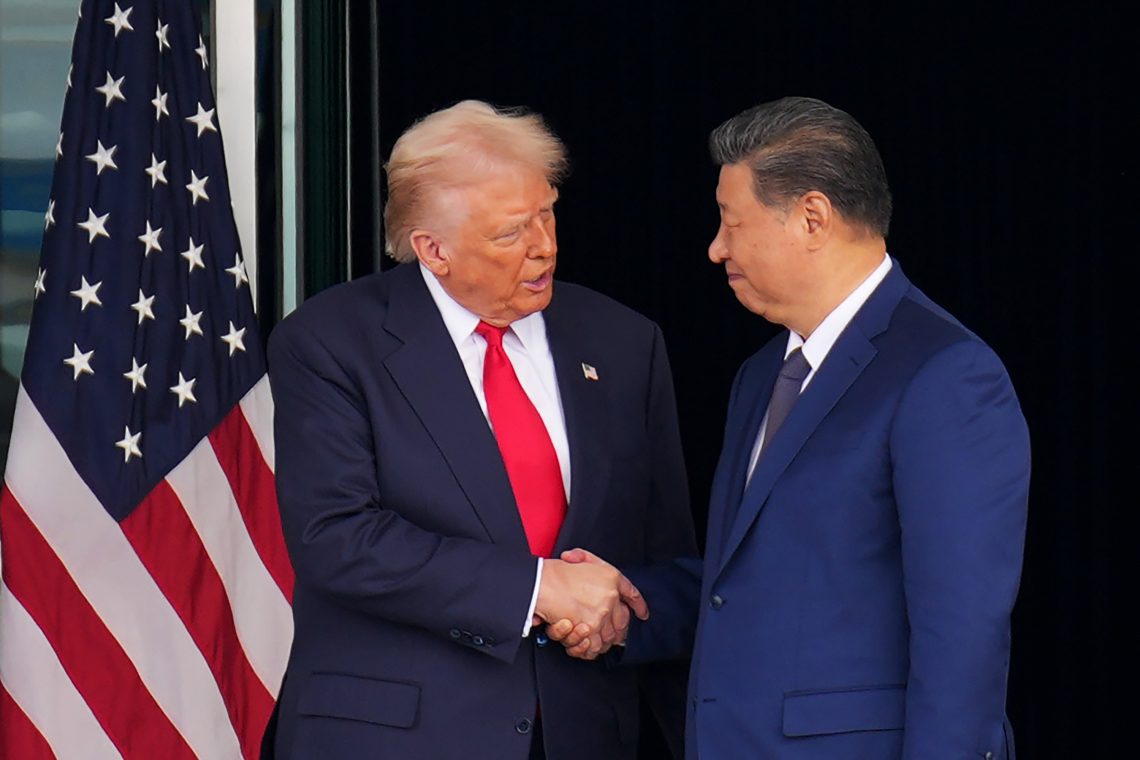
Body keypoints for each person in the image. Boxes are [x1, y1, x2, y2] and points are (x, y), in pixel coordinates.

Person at [552, 96, 1030, 759]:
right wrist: (627, 604)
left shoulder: (944, 374)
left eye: (731, 222)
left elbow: (963, 636)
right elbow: (751, 579)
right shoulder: (760, 375)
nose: (716, 248)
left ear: (812, 217)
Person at [265, 100, 696, 759]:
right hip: (395, 737)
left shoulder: (623, 342)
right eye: (510, 232)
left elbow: (666, 554)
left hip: (579, 734)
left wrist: (616, 622)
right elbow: (338, 538)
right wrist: (538, 588)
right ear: (432, 249)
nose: (545, 245)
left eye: (548, 212)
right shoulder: (330, 342)